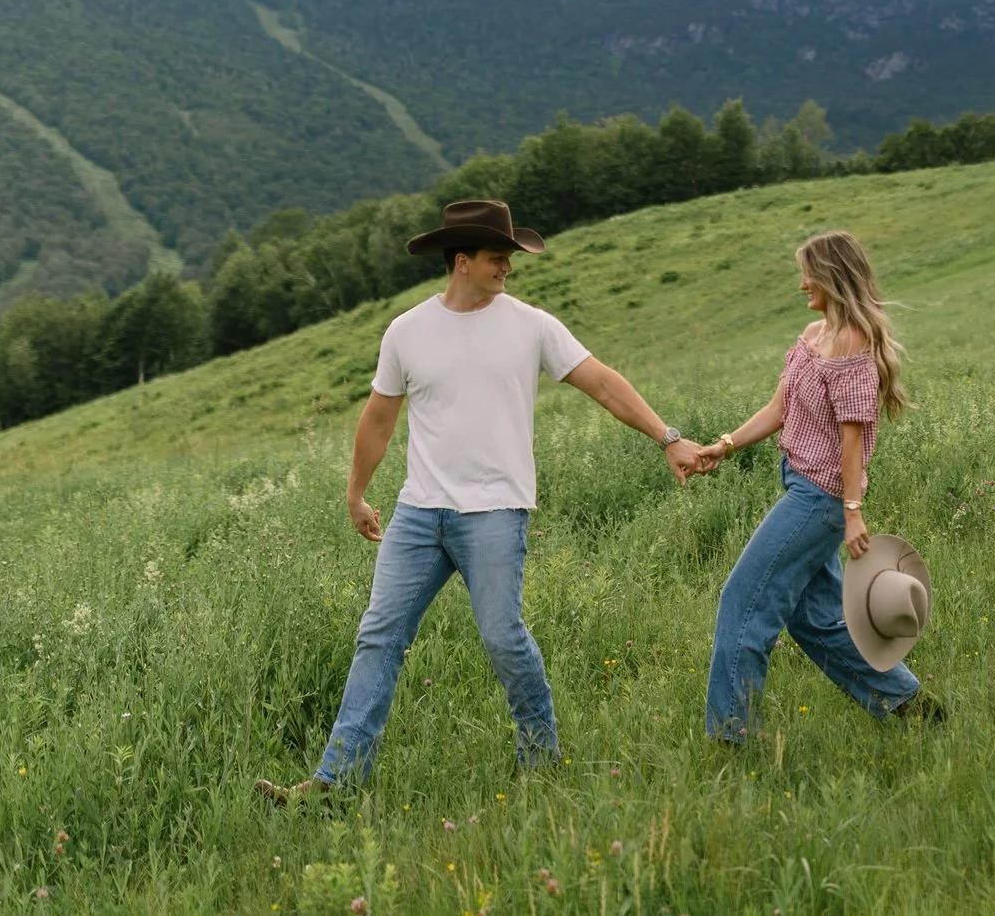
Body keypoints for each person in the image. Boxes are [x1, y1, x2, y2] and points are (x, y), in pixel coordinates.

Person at [257, 199, 707, 800]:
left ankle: (541, 762)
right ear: (461, 261)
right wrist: (356, 493)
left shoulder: (532, 326)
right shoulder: (407, 331)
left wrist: (668, 438)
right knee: (379, 636)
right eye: (499, 258)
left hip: (495, 512)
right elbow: (378, 420)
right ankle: (335, 781)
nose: (508, 268)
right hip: (419, 514)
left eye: (510, 259)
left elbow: (600, 381)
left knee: (502, 635)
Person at [695, 230, 944, 737]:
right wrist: (723, 446)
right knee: (815, 621)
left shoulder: (853, 342)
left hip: (821, 498)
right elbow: (779, 408)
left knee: (743, 604)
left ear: (832, 276)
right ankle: (910, 707)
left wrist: (852, 511)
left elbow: (853, 437)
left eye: (808, 273)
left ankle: (731, 736)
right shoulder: (813, 335)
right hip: (801, 484)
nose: (802, 283)